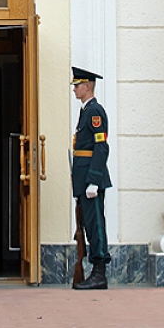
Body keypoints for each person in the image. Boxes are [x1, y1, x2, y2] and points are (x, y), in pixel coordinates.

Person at [71, 66, 111, 290]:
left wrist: (94, 180)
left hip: (90, 179)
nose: (75, 89)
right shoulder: (85, 111)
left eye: (77, 86)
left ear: (87, 87)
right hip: (84, 178)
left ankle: (99, 273)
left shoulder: (95, 112)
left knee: (96, 225)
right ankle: (95, 271)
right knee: (88, 225)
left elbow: (101, 147)